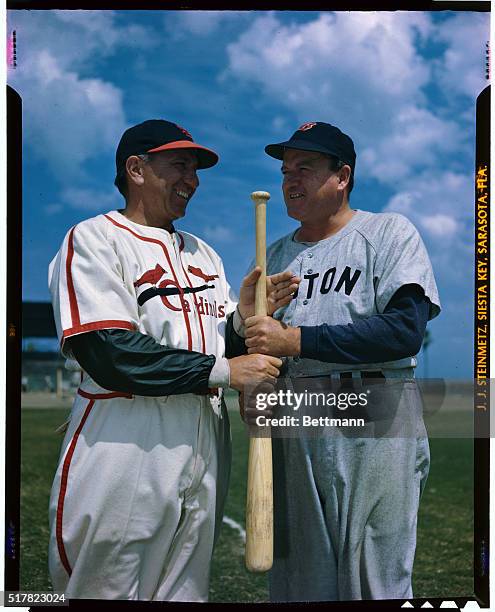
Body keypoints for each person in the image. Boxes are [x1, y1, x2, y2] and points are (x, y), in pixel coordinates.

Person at [47, 119, 299, 601]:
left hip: (203, 439)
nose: (193, 179)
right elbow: (109, 351)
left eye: (196, 168)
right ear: (136, 168)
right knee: (108, 591)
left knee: (184, 593)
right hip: (127, 437)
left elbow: (217, 342)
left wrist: (245, 321)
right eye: (180, 165)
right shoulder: (96, 238)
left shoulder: (204, 254)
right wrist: (225, 371)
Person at [239, 122, 441, 601]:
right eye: (286, 170)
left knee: (374, 578)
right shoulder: (274, 256)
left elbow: (403, 331)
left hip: (375, 412)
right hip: (297, 417)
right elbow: (258, 346)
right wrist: (250, 341)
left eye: (305, 169)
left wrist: (294, 341)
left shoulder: (387, 232)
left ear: (342, 176)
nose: (291, 181)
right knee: (300, 583)